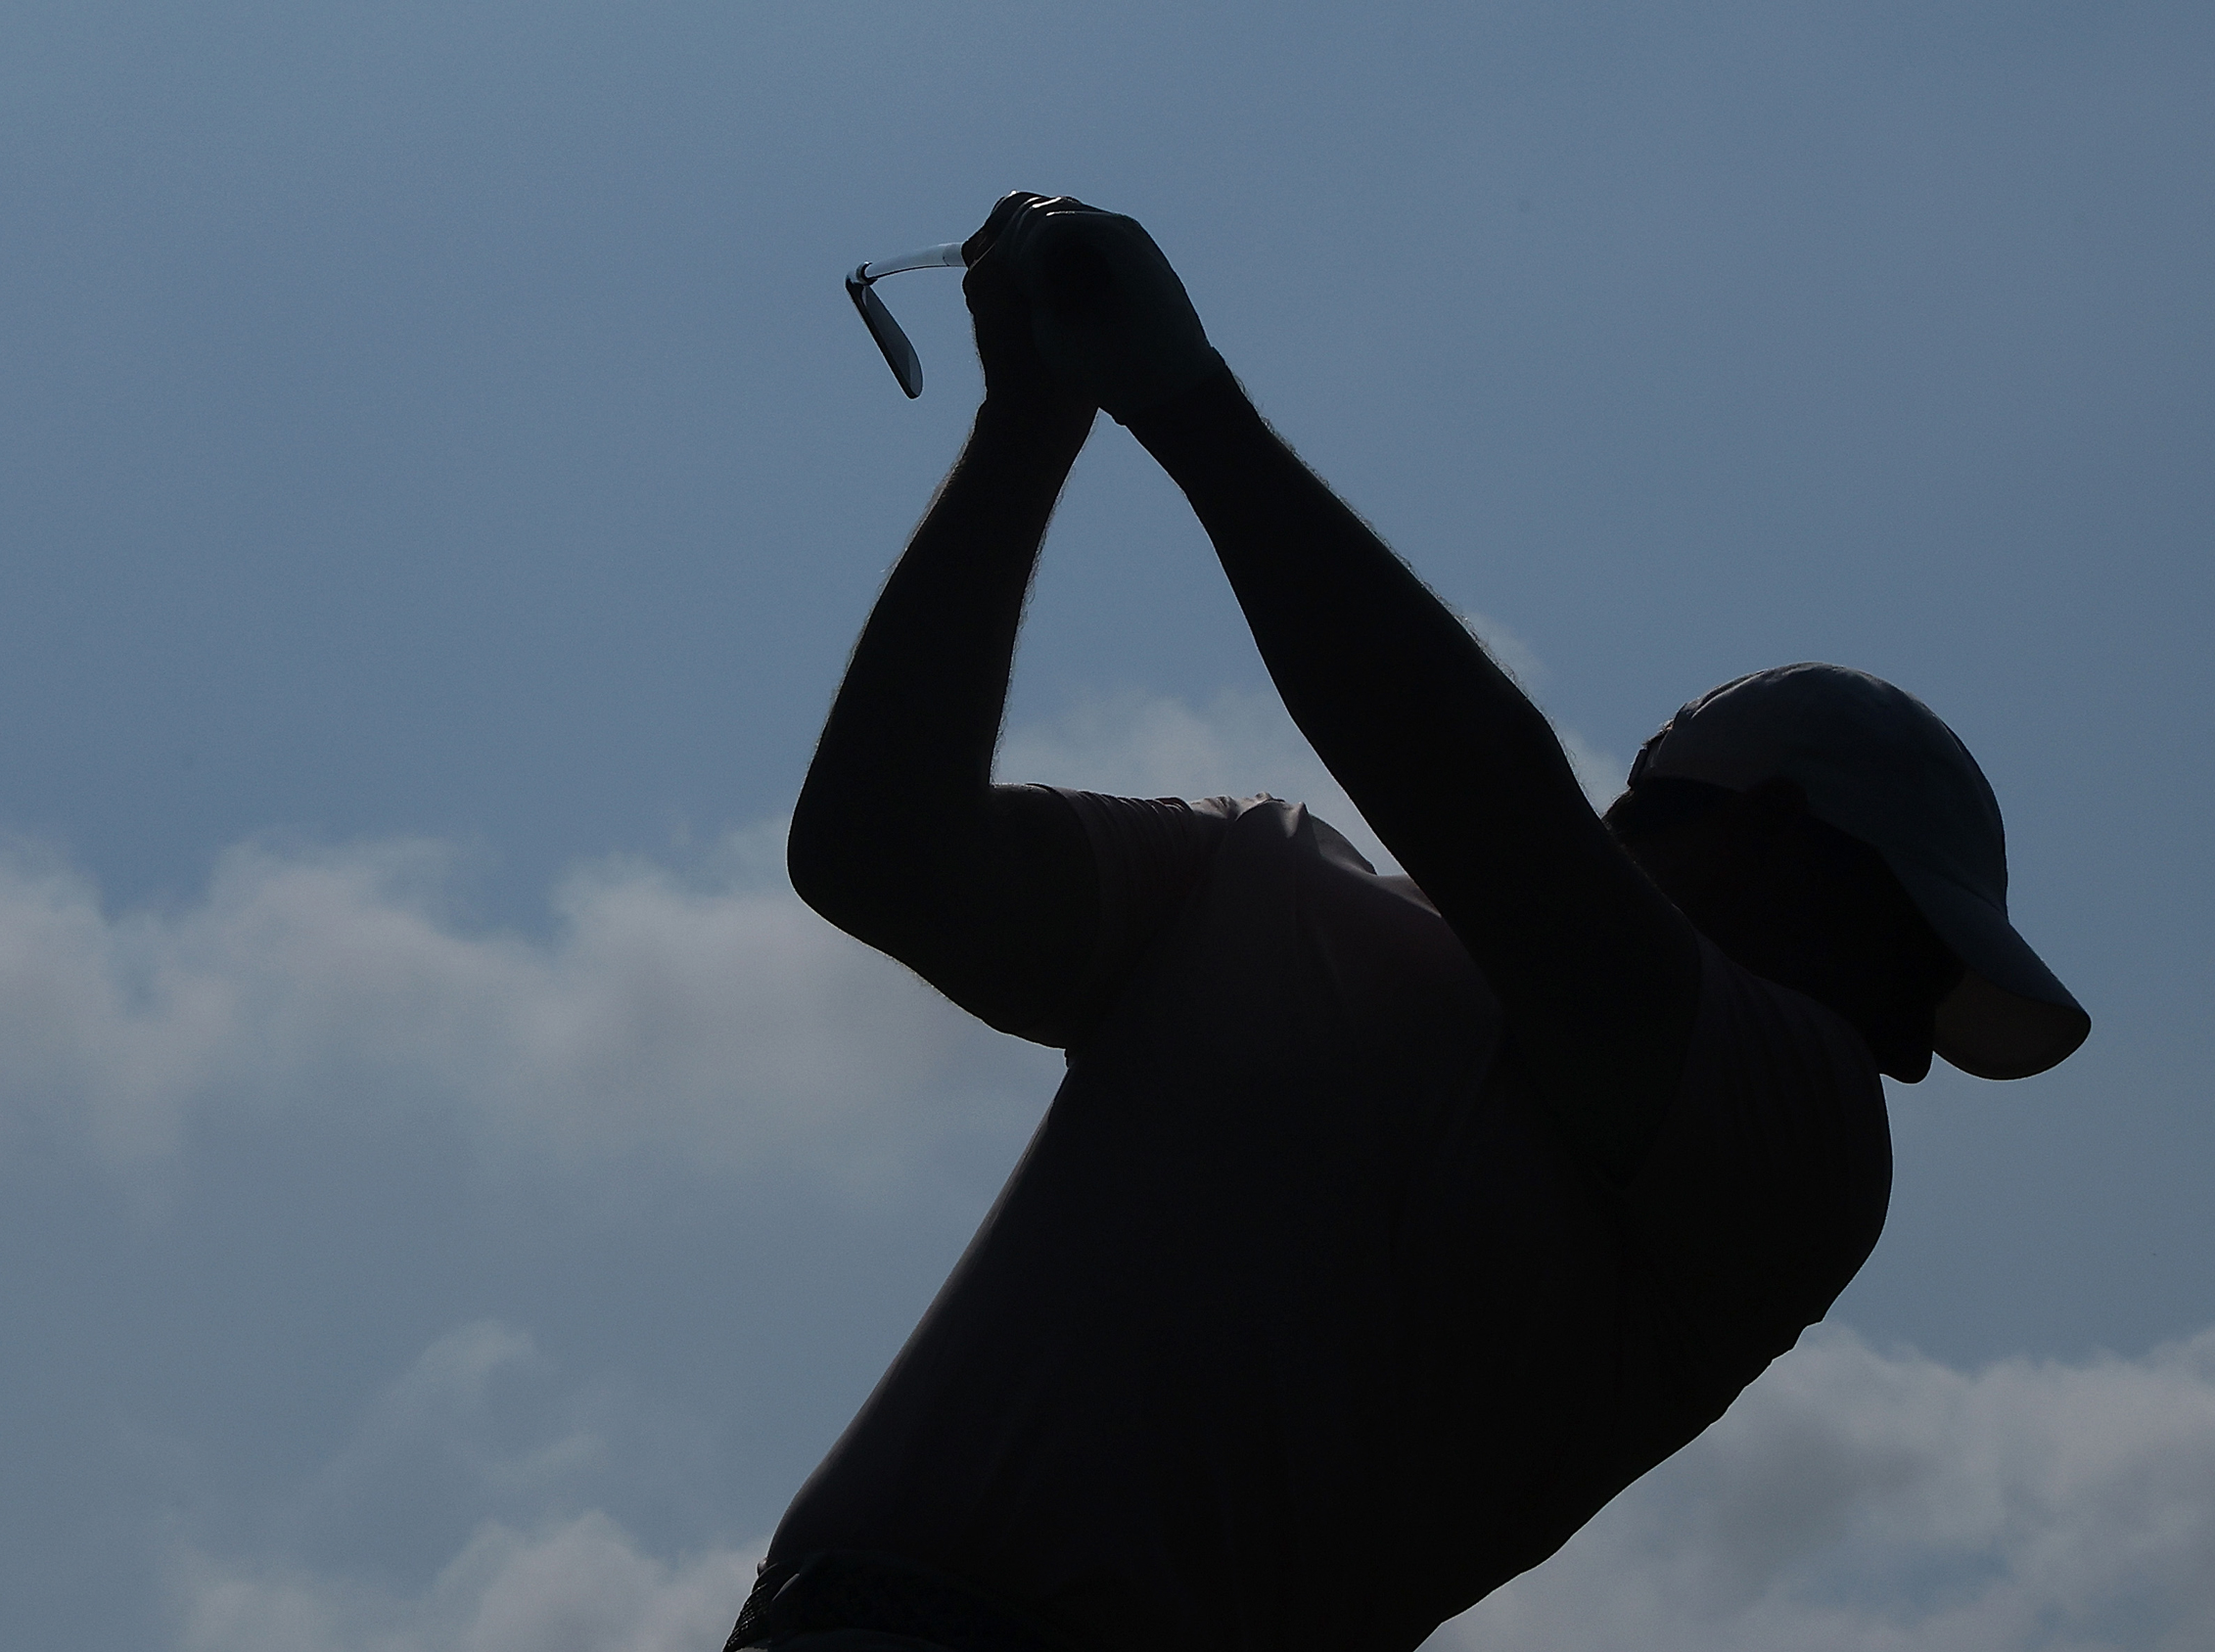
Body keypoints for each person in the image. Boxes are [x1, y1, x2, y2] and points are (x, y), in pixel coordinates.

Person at [728, 193, 2089, 1652]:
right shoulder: (1247, 879)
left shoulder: (1807, 1156)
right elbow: (876, 852)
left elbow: (1487, 803)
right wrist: (1029, 428)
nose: (1910, 1060)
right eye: (1912, 967)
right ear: (1772, 844)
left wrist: (1188, 403)